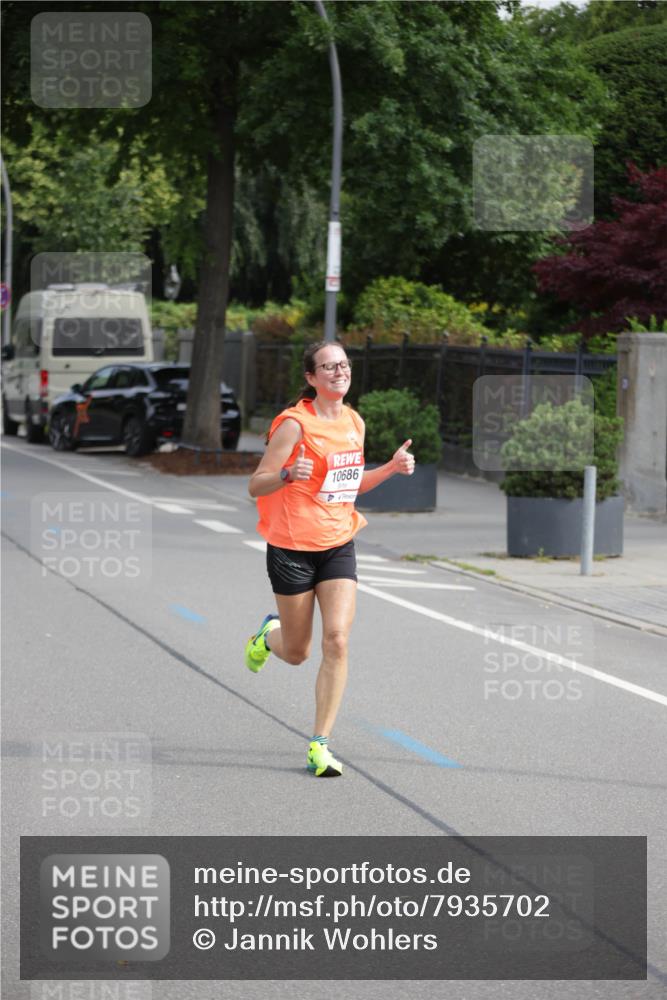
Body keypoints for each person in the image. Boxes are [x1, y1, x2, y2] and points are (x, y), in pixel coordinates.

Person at [245, 340, 414, 777]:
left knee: (337, 640)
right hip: (292, 548)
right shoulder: (294, 425)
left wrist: (391, 468)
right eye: (328, 367)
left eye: (343, 365)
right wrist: (286, 474)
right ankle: (269, 636)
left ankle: (319, 744)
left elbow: (350, 485)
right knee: (298, 652)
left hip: (339, 541)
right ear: (311, 378)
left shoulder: (354, 422)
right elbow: (256, 484)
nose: (339, 372)